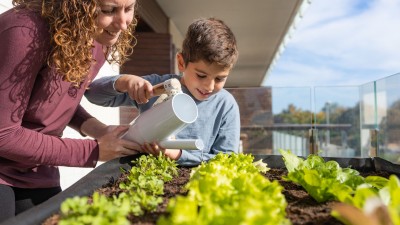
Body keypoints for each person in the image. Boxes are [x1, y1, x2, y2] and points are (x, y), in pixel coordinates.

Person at [0, 0, 141, 221]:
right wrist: (93, 151)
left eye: (129, 8)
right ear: (75, 5)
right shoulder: (25, 32)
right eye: (108, 10)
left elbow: (55, 99)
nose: (123, 24)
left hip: (36, 170)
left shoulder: (95, 36)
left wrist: (101, 131)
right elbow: (4, 134)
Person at [85, 17, 241, 166]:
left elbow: (227, 161)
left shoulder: (225, 105)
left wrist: (179, 155)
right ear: (181, 62)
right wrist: (124, 82)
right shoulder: (158, 86)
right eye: (201, 75)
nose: (209, 86)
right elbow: (92, 94)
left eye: (220, 79)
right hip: (145, 179)